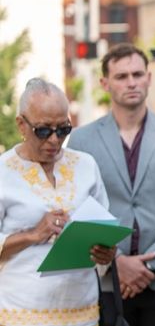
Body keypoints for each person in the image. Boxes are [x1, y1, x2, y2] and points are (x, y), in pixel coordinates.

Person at [68, 44, 155, 326]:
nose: (131, 82)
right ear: (105, 83)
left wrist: (149, 266)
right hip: (109, 282)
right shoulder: (81, 141)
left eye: (137, 74)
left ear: (149, 77)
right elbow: (80, 209)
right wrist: (116, 260)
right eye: (122, 76)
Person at [0, 79, 116, 326]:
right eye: (43, 130)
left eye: (63, 129)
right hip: (21, 312)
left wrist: (106, 252)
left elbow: (106, 228)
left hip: (82, 309)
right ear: (21, 124)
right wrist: (33, 234)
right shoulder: (3, 172)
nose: (54, 139)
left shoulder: (86, 165)